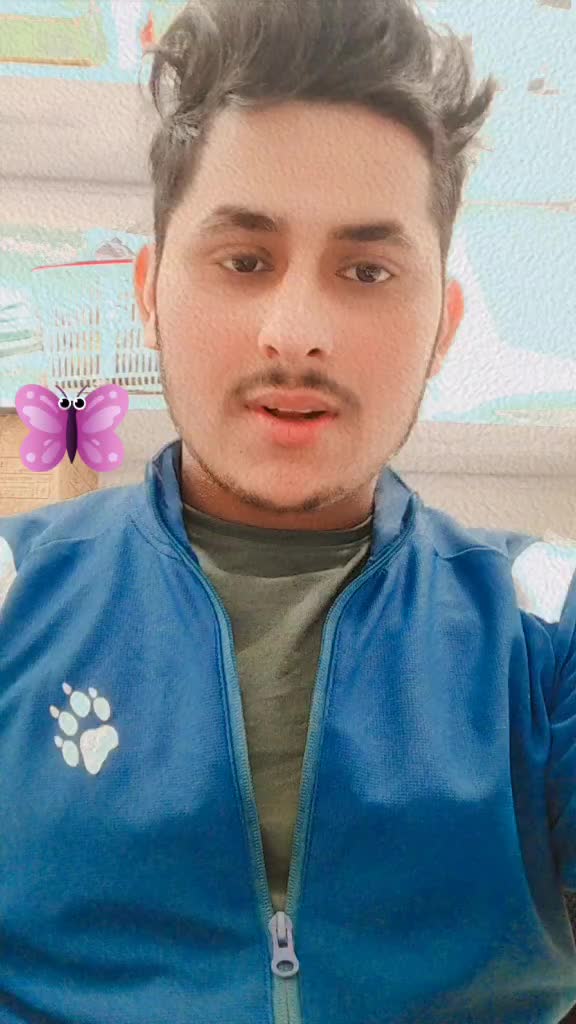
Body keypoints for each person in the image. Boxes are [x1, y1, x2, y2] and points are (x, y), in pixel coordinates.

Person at [1, 0, 576, 1021]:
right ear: (150, 292)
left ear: (442, 326)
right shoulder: (12, 598)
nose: (296, 331)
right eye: (244, 259)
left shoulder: (543, 631)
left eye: (367, 270)